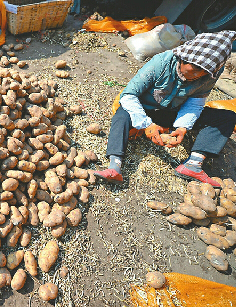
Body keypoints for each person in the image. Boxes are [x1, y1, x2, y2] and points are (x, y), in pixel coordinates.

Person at [94, 30, 236, 188]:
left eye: (203, 72)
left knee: (227, 117)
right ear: (184, 57)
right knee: (122, 114)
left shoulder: (210, 74)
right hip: (144, 109)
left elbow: (196, 102)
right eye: (194, 69)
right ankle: (115, 165)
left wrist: (182, 127)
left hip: (172, 112)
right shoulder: (161, 62)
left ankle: (193, 164)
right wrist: (146, 125)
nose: (197, 75)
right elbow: (128, 95)